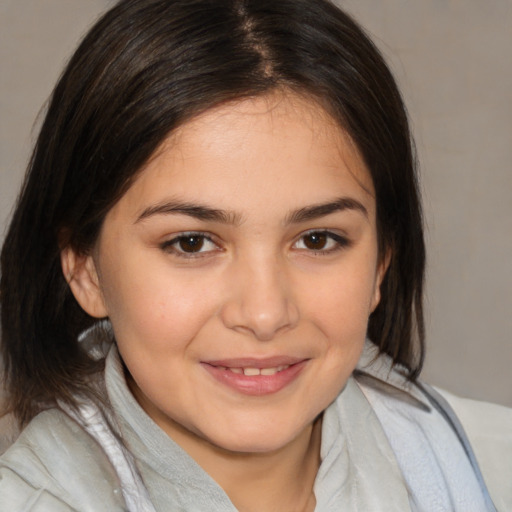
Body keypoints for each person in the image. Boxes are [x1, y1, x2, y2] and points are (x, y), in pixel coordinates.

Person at [0, 0, 510, 510]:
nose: (265, 314)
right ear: (85, 268)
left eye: (318, 240)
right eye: (192, 243)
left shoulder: (492, 470)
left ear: (381, 261)